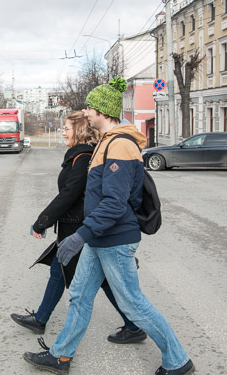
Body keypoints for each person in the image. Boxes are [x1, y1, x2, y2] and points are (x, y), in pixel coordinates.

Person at [23, 78, 195, 375]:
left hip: (114, 239)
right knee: (78, 295)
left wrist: (80, 235)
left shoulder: (120, 145)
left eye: (89, 107)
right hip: (100, 238)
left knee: (132, 303)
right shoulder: (108, 141)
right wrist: (86, 236)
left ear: (103, 109)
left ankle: (178, 359)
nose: (85, 112)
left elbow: (116, 203)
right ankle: (61, 356)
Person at [10, 110, 145, 343]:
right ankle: (41, 319)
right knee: (63, 269)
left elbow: (69, 195)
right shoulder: (79, 156)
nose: (62, 132)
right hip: (76, 225)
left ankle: (134, 325)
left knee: (92, 279)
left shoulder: (83, 157)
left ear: (80, 130)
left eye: (66, 128)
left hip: (80, 226)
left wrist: (42, 221)